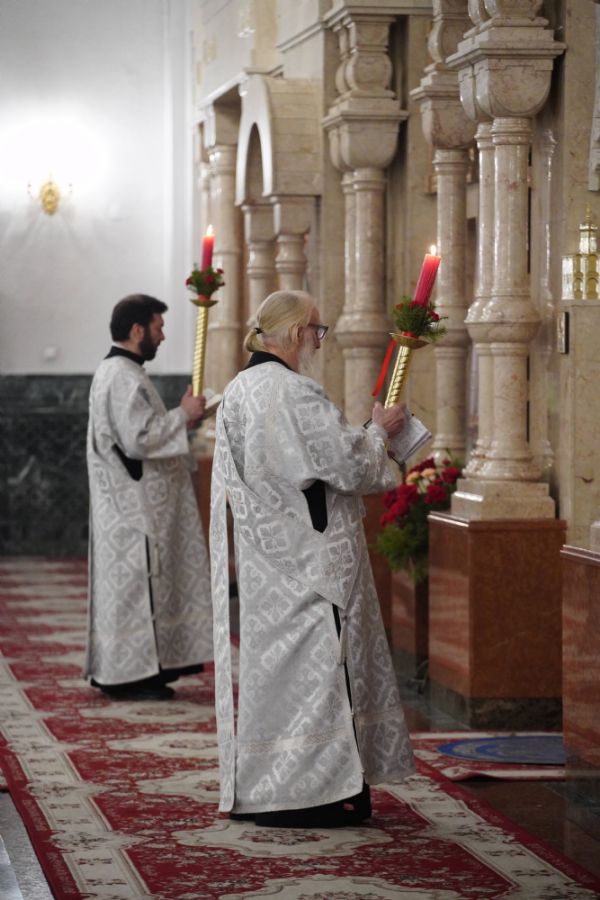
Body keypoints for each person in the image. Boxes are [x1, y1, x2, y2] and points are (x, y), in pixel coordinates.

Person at [210, 289, 415, 828]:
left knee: (279, 677)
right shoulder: (294, 392)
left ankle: (271, 786)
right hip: (313, 563)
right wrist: (381, 432)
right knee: (322, 672)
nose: (319, 343)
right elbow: (349, 467)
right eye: (317, 331)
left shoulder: (237, 392)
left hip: (267, 560)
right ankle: (317, 794)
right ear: (298, 331)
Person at [84, 294, 213, 700]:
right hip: (132, 510)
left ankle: (144, 672)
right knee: (135, 591)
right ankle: (128, 677)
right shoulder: (121, 375)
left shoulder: (123, 372)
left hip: (131, 507)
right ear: (137, 329)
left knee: (141, 590)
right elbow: (138, 440)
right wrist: (184, 415)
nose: (162, 335)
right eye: (158, 327)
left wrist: (186, 416)